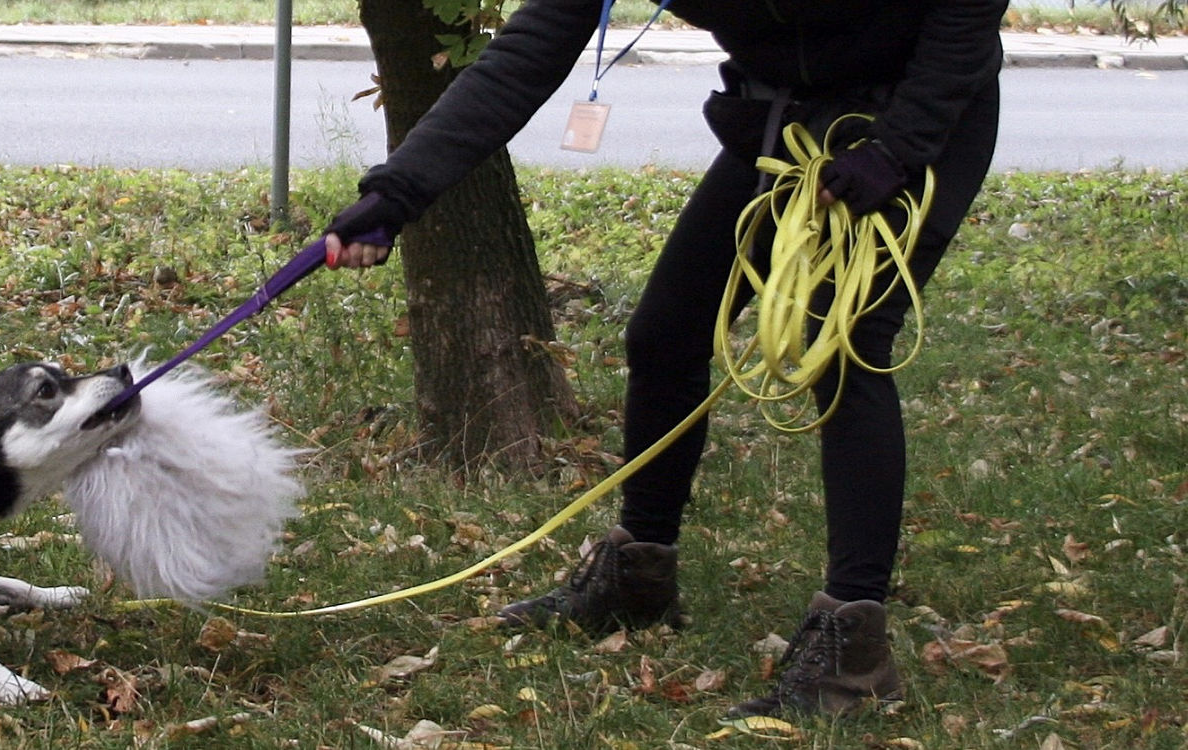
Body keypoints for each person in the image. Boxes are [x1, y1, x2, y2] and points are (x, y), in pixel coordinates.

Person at [320, 0, 1007, 719]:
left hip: (918, 116)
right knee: (666, 333)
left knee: (844, 343)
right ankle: (637, 576)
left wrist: (898, 148)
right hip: (785, 117)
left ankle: (853, 651)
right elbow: (527, 54)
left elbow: (964, 16)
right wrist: (397, 192)